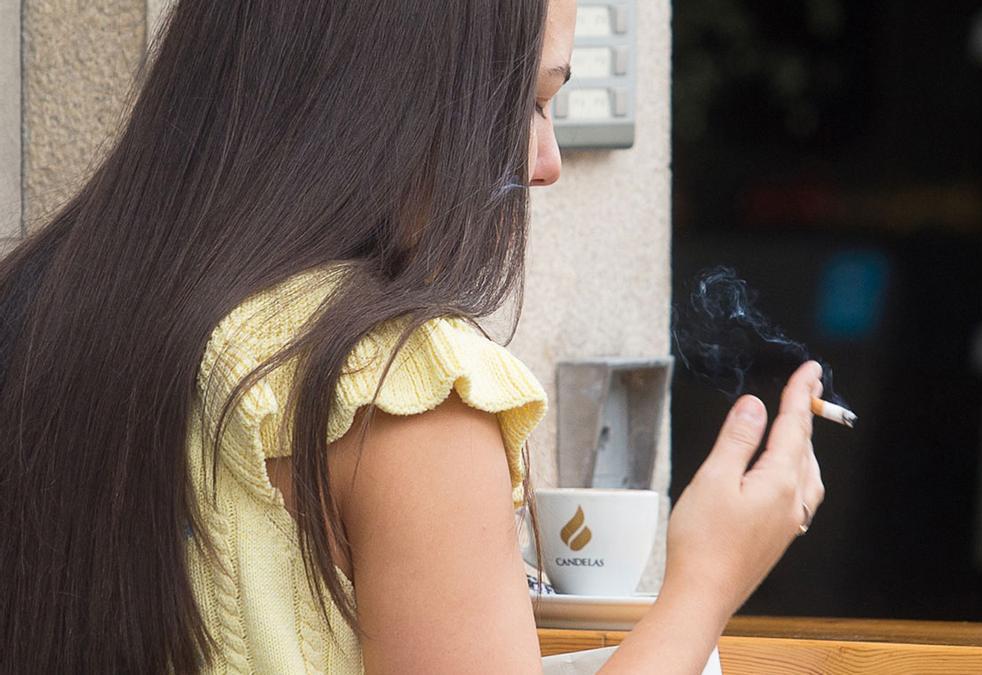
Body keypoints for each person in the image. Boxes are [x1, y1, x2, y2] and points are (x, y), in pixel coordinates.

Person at [0, 0, 825, 672]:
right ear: (393, 99)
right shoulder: (395, 384)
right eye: (531, 103)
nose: (548, 162)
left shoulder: (40, 307)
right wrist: (706, 581)